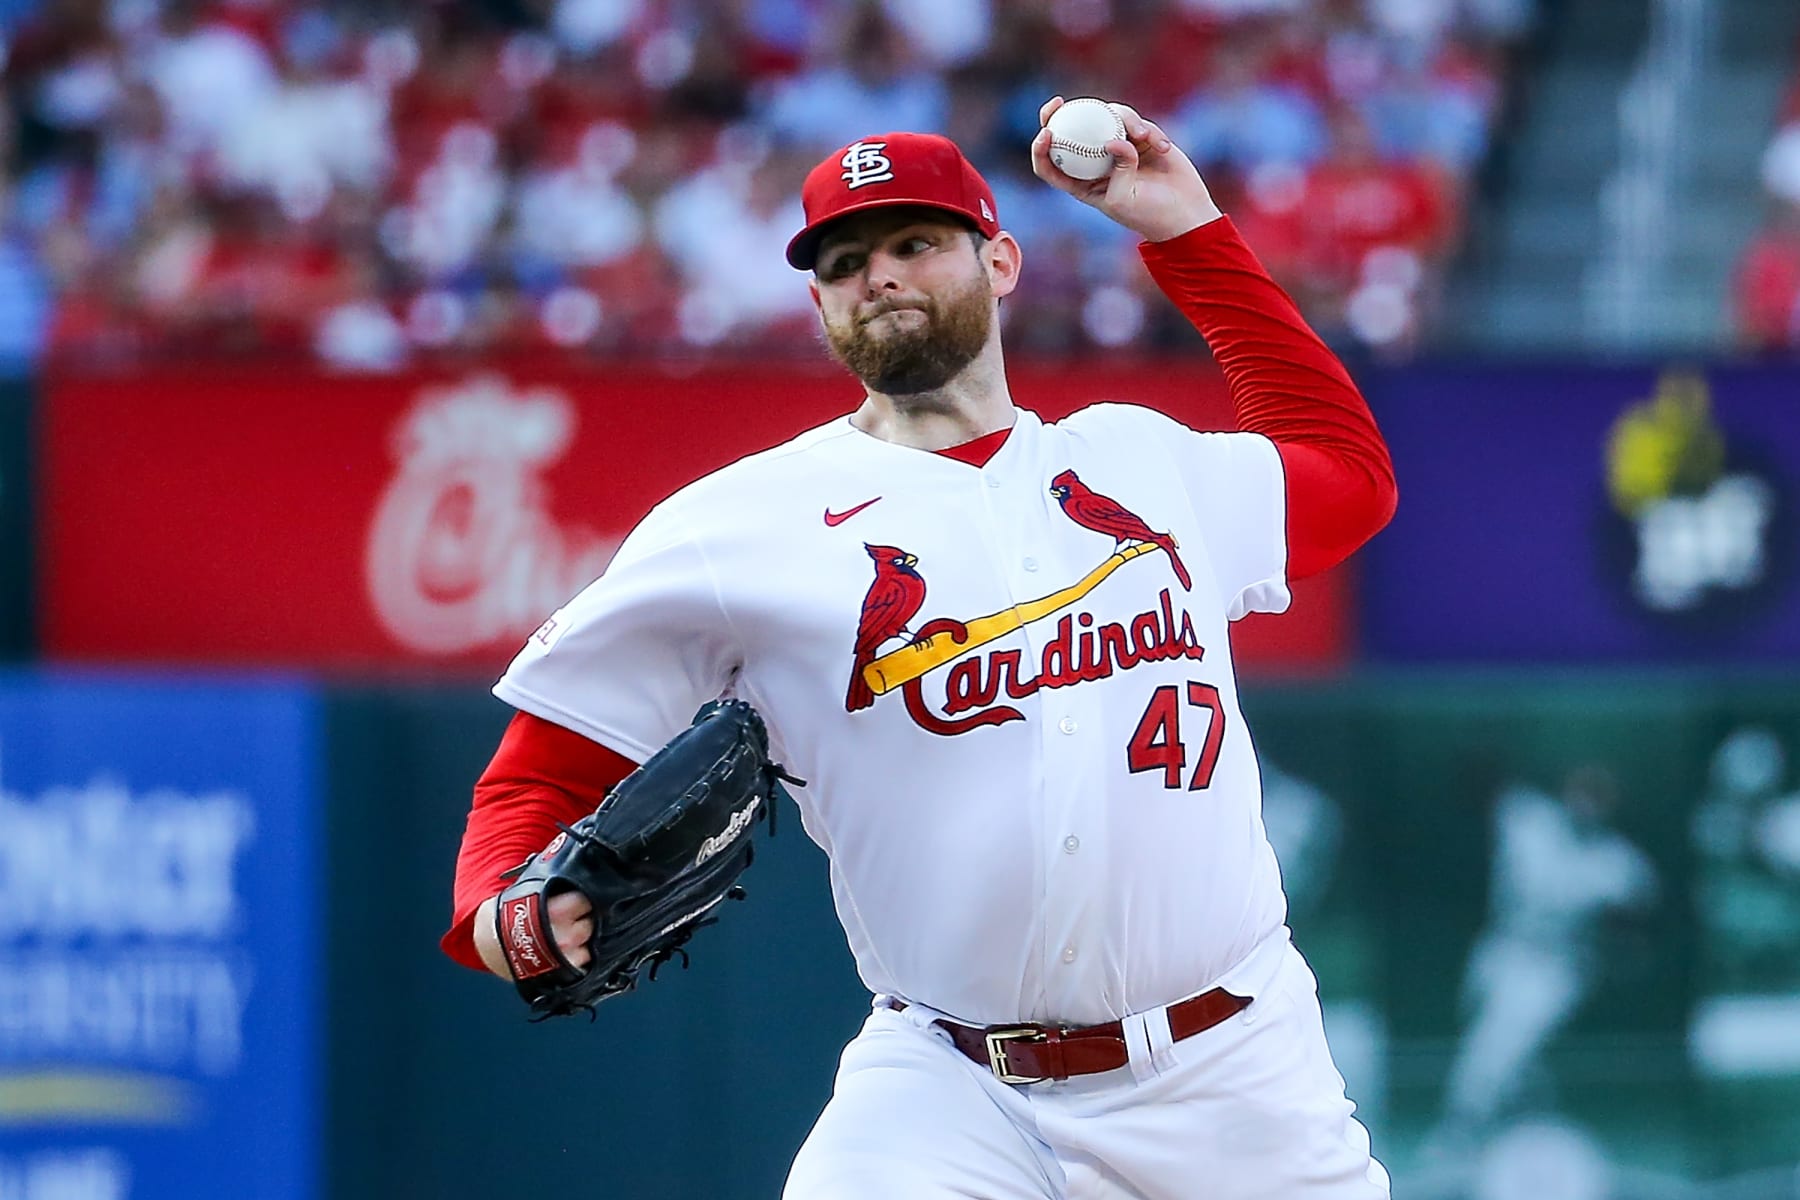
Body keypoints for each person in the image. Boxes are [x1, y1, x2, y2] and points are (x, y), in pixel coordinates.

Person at [443, 95, 1398, 1199]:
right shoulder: (739, 527)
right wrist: (501, 915)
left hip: (1234, 1072)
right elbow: (540, 775)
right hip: (954, 1088)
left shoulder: (1145, 462)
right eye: (845, 260)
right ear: (817, 302)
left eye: (914, 242)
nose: (879, 274)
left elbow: (1350, 477)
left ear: (999, 261)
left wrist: (1186, 230)